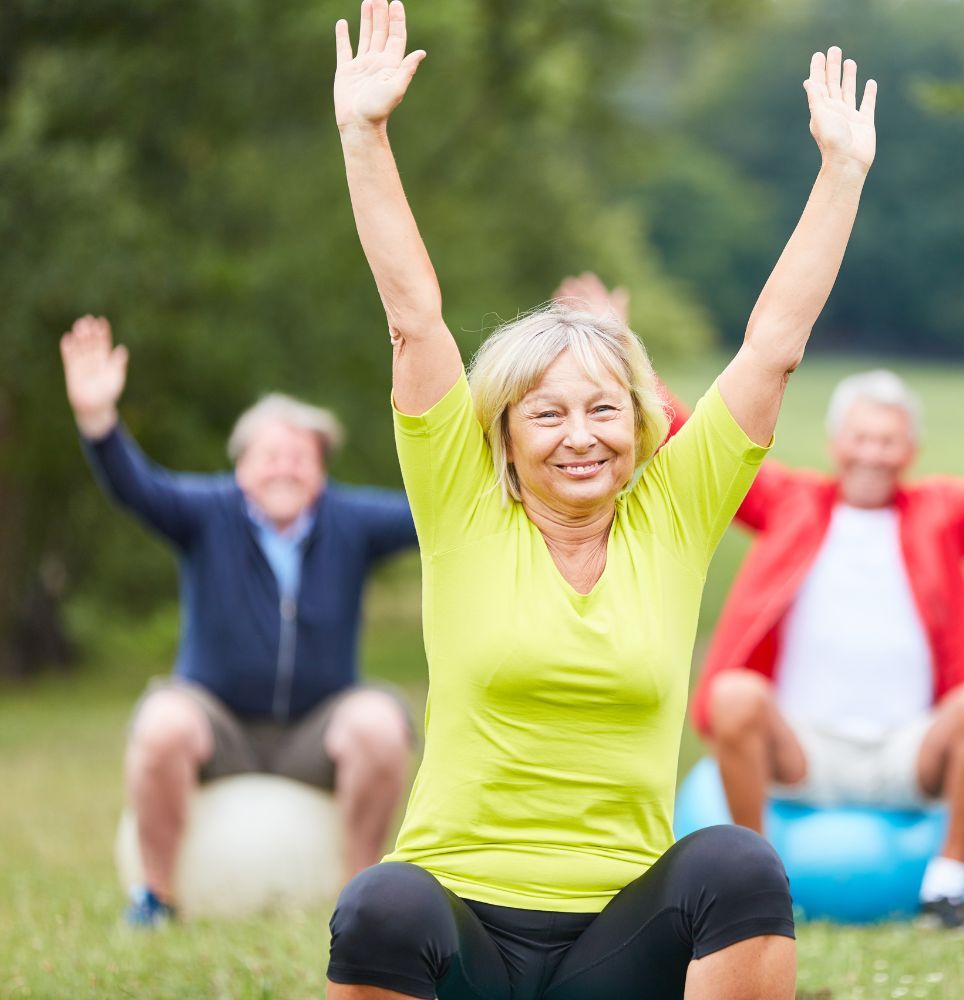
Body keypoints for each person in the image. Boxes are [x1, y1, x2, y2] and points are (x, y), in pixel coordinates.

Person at [327, 0, 876, 996]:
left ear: (639, 421)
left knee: (738, 863)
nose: (578, 434)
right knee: (380, 900)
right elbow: (414, 320)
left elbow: (772, 349)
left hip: (616, 947)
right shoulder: (463, 503)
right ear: (499, 436)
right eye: (544, 415)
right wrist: (364, 136)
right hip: (464, 938)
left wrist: (840, 174)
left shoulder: (672, 512)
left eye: (600, 409)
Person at [558, 275, 964, 929]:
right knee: (734, 693)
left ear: (911, 450)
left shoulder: (942, 513)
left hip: (909, 750)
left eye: (888, 440)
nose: (873, 453)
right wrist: (617, 344)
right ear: (835, 443)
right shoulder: (791, 503)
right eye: (861, 437)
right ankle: (759, 877)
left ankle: (946, 880)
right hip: (800, 749)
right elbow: (683, 434)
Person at [59, 314, 418, 926]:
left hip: (317, 725)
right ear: (242, 465)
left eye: (301, 457)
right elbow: (135, 487)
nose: (285, 468)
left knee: (382, 726)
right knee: (162, 723)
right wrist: (98, 421)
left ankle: (358, 908)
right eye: (270, 455)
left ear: (322, 470)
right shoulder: (207, 512)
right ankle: (155, 898)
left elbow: (435, 511)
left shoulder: (350, 520)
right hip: (216, 721)